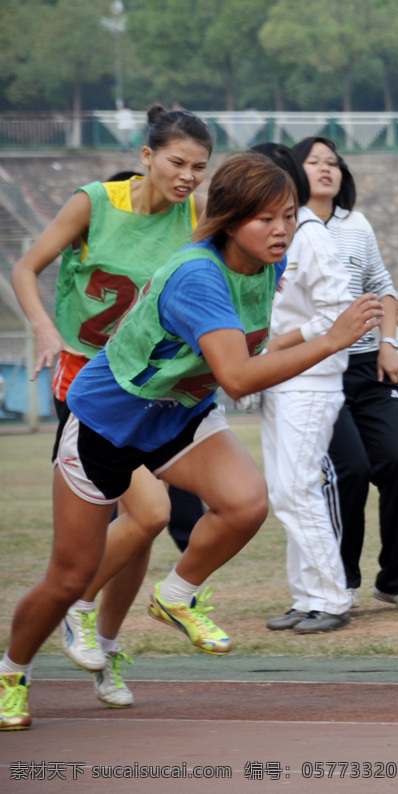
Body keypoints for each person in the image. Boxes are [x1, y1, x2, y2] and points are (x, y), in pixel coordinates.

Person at [0, 152, 385, 731]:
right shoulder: (197, 274)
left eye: (288, 216)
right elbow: (237, 377)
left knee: (246, 501)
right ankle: (12, 672)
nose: (281, 231)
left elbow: (247, 357)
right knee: (69, 577)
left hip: (179, 412)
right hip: (109, 421)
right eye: (265, 219)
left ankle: (175, 595)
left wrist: (326, 333)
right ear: (229, 220)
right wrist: (332, 340)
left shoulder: (265, 266)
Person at [8, 107, 212, 710]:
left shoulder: (196, 215)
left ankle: (105, 641)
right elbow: (25, 268)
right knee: (144, 516)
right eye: (177, 163)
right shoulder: (94, 203)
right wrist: (45, 329)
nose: (188, 177)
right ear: (147, 157)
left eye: (200, 167)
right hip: (89, 382)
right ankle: (31, 653)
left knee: (143, 531)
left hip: (147, 386)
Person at [294, 137, 398, 612]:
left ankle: (397, 580)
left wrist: (390, 344)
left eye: (333, 162)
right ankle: (341, 580)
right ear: (294, 171)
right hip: (316, 369)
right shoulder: (283, 226)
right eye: (313, 162)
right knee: (349, 471)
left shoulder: (358, 225)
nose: (326, 169)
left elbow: (385, 288)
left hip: (369, 365)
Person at [252, 143, 354, 634]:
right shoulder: (272, 236)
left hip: (311, 379)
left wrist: (278, 344)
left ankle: (332, 598)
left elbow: (338, 313)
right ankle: (306, 596)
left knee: (297, 488)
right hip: (279, 378)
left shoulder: (310, 235)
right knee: (283, 491)